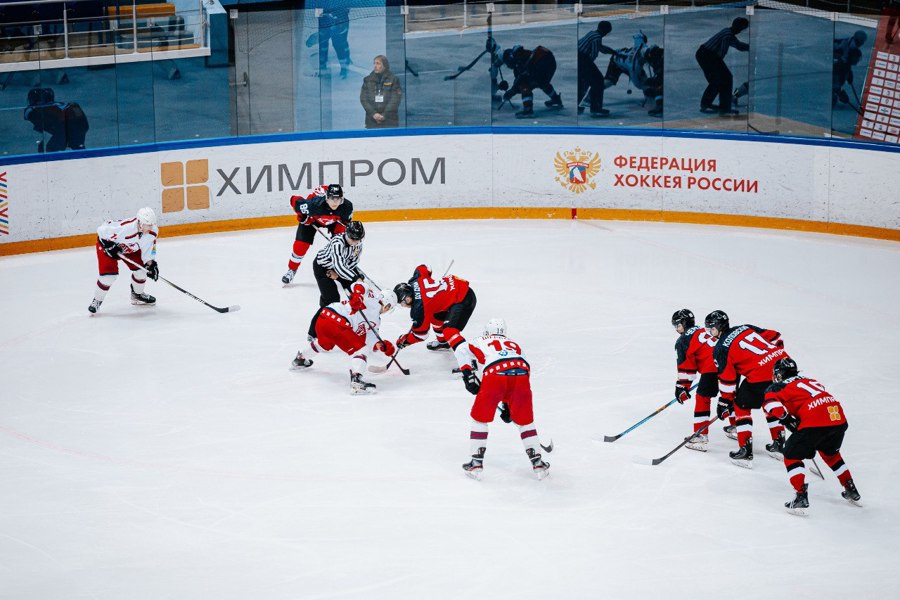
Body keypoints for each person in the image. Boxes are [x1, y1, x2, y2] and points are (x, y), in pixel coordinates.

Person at [763, 358, 862, 515]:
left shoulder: (777, 387)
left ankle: (800, 496)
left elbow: (770, 405)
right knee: (831, 453)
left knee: (790, 455)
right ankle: (850, 487)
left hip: (815, 421)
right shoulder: (810, 380)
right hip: (837, 418)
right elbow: (812, 399)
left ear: (779, 374)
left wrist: (787, 419)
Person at [454, 318, 549, 480]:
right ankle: (538, 462)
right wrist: (508, 404)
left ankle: (476, 461)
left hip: (494, 373)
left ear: (486, 331)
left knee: (480, 419)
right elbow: (524, 365)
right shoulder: (514, 344)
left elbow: (461, 350)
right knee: (525, 421)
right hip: (521, 375)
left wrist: (467, 374)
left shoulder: (480, 340)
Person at [707, 310, 791, 468]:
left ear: (717, 327)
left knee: (740, 406)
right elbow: (776, 336)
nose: (710, 333)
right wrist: (777, 357)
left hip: (761, 375)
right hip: (783, 369)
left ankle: (745, 451)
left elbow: (728, 380)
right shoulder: (745, 327)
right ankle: (779, 445)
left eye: (711, 329)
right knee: (770, 402)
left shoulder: (720, 348)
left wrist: (725, 402)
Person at [291, 282, 397, 394]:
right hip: (338, 321)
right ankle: (357, 382)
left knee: (323, 345)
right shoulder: (371, 297)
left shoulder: (376, 320)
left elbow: (368, 337)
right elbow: (360, 285)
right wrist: (357, 295)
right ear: (387, 305)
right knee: (361, 350)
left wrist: (380, 345)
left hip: (324, 318)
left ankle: (300, 359)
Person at [392, 264, 477, 371]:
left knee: (449, 331)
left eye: (403, 303)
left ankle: (468, 362)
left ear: (408, 298)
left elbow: (421, 335)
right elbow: (425, 267)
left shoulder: (419, 309)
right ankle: (443, 342)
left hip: (463, 298)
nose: (404, 306)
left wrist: (405, 340)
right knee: (434, 315)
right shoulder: (415, 279)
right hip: (458, 287)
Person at [671, 309, 729, 452]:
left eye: (677, 325)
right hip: (728, 362)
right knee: (729, 397)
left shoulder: (683, 340)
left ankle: (700, 436)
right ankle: (735, 428)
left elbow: (686, 366)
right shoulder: (703, 330)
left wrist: (682, 386)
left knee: (703, 397)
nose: (677, 329)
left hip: (712, 367)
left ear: (683, 324)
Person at [89, 207, 159, 314]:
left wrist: (151, 265)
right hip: (108, 246)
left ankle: (137, 295)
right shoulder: (126, 228)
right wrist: (108, 245)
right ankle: (97, 300)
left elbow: (148, 252)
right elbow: (101, 231)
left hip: (130, 248)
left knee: (142, 271)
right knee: (108, 277)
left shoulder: (152, 232)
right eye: (147, 225)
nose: (150, 227)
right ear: (140, 223)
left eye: (151, 224)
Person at [282, 183, 353, 285]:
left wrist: (337, 239)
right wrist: (303, 217)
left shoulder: (346, 207)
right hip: (313, 219)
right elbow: (294, 200)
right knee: (300, 245)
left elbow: (345, 223)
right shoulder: (314, 204)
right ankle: (292, 270)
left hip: (333, 222)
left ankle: (340, 266)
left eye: (338, 199)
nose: (335, 202)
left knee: (340, 243)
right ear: (326, 198)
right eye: (332, 198)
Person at [695, 17, 749, 116]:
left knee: (721, 79)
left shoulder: (728, 32)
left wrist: (750, 47)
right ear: (739, 27)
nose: (741, 31)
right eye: (742, 28)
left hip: (705, 54)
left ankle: (718, 105)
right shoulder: (728, 35)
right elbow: (721, 54)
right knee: (722, 79)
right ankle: (717, 105)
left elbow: (738, 45)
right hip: (707, 55)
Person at [500, 44, 563, 119]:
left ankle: (528, 110)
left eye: (506, 63)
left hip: (542, 62)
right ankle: (556, 99)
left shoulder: (518, 60)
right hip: (550, 61)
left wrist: (510, 92)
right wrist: (512, 91)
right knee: (542, 82)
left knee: (524, 85)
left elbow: (519, 82)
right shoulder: (521, 57)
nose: (508, 66)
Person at [313, 220, 365, 307]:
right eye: (353, 239)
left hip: (342, 265)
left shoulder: (358, 243)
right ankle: (323, 312)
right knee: (332, 300)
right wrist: (355, 278)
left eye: (359, 239)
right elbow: (339, 267)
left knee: (357, 291)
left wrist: (348, 278)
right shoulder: (337, 243)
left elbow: (354, 260)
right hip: (323, 268)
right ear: (346, 234)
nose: (356, 242)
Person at [24, 87, 89, 152]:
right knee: (76, 145)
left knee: (51, 148)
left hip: (68, 125)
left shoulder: (33, 110)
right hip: (81, 123)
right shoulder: (60, 105)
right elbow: (74, 107)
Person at [576, 20, 616, 118]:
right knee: (598, 81)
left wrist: (613, 52)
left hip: (579, 58)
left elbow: (601, 48)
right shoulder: (597, 37)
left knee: (584, 82)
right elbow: (594, 54)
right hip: (583, 59)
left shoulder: (592, 33)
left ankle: (578, 106)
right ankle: (596, 108)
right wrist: (588, 68)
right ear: (606, 31)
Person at [360, 55, 402, 129]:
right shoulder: (367, 80)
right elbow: (364, 99)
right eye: (374, 63)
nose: (375, 66)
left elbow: (395, 100)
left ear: (385, 66)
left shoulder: (394, 79)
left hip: (389, 120)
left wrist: (384, 115)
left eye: (378, 63)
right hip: (372, 120)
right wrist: (374, 114)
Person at [317, 7, 351, 78]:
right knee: (323, 44)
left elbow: (347, 8)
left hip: (340, 20)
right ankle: (322, 67)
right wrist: (320, 20)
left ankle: (344, 67)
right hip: (325, 20)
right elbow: (318, 6)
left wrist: (338, 17)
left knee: (339, 44)